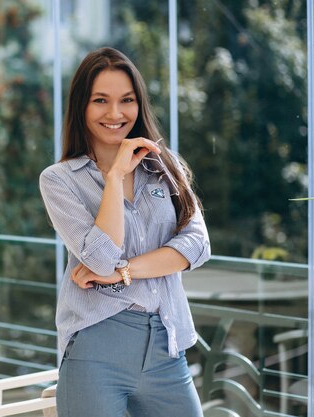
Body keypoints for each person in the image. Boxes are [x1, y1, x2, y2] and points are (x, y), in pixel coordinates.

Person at [39, 47, 211, 417]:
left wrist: (122, 272)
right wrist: (115, 176)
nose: (115, 113)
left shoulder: (164, 167)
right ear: (81, 106)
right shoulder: (59, 180)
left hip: (167, 344)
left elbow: (196, 245)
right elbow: (99, 255)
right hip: (96, 347)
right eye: (100, 100)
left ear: (139, 104)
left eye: (126, 100)